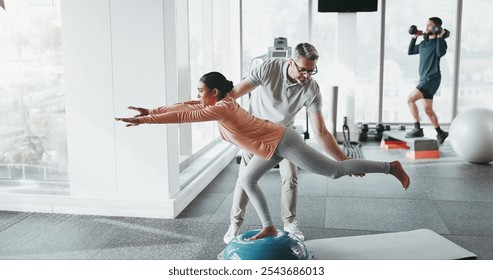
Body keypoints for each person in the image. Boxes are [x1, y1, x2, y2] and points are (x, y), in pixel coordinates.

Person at [115, 71, 411, 241]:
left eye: (201, 90)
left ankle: (390, 166)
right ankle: (270, 226)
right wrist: (151, 111)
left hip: (284, 141)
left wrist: (144, 122)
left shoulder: (221, 107)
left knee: (334, 171)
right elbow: (184, 105)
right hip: (270, 147)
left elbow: (185, 117)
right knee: (246, 178)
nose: (198, 95)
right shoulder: (220, 101)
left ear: (214, 92)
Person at [223, 43, 348, 244]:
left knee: (290, 176)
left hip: (284, 135)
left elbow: (321, 131)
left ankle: (289, 223)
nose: (306, 75)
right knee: (244, 179)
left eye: (311, 71)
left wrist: (343, 160)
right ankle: (235, 224)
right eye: (302, 70)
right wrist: (213, 107)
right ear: (291, 61)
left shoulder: (312, 88)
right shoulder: (267, 68)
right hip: (255, 131)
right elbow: (235, 92)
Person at [406, 17, 449, 145]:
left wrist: (440, 37)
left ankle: (417, 129)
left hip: (432, 78)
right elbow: (410, 51)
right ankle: (440, 133)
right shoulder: (424, 44)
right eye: (427, 25)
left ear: (436, 28)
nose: (427, 27)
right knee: (428, 110)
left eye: (430, 25)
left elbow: (440, 53)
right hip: (424, 78)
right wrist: (415, 37)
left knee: (410, 99)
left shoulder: (439, 43)